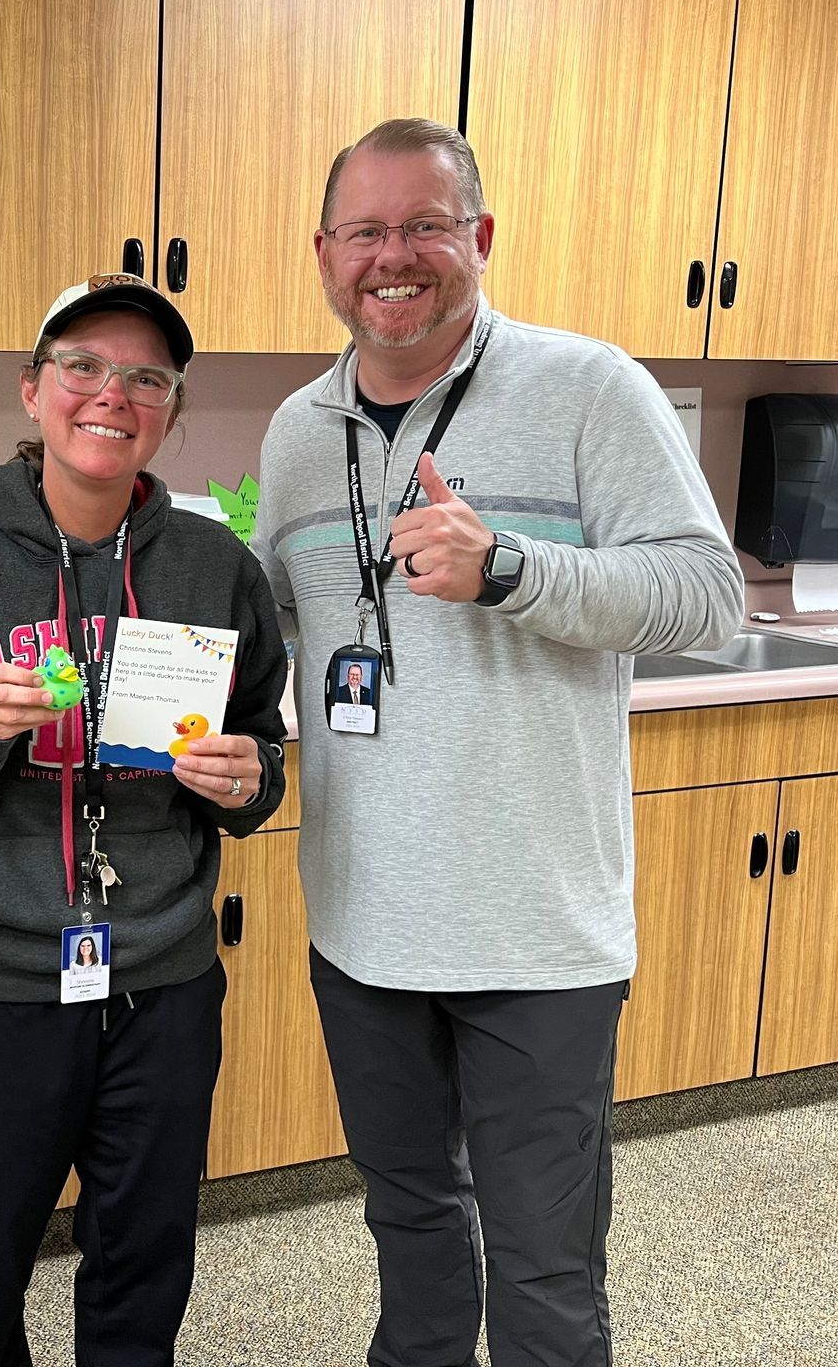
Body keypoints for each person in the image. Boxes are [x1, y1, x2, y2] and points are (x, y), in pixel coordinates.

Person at [253, 119, 742, 1366]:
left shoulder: (588, 388)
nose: (393, 257)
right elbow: (270, 632)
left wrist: (512, 566)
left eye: (425, 225)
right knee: (411, 1236)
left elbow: (707, 598)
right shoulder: (300, 430)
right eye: (365, 231)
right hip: (362, 925)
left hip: (536, 934)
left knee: (543, 1276)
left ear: (480, 238)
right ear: (324, 253)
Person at [0, 273, 290, 1365]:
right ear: (32, 390)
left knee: (146, 1262)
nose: (113, 395)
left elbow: (267, 752)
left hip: (163, 974)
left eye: (147, 377)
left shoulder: (216, 568)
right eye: (84, 368)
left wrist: (249, 781)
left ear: (171, 411)